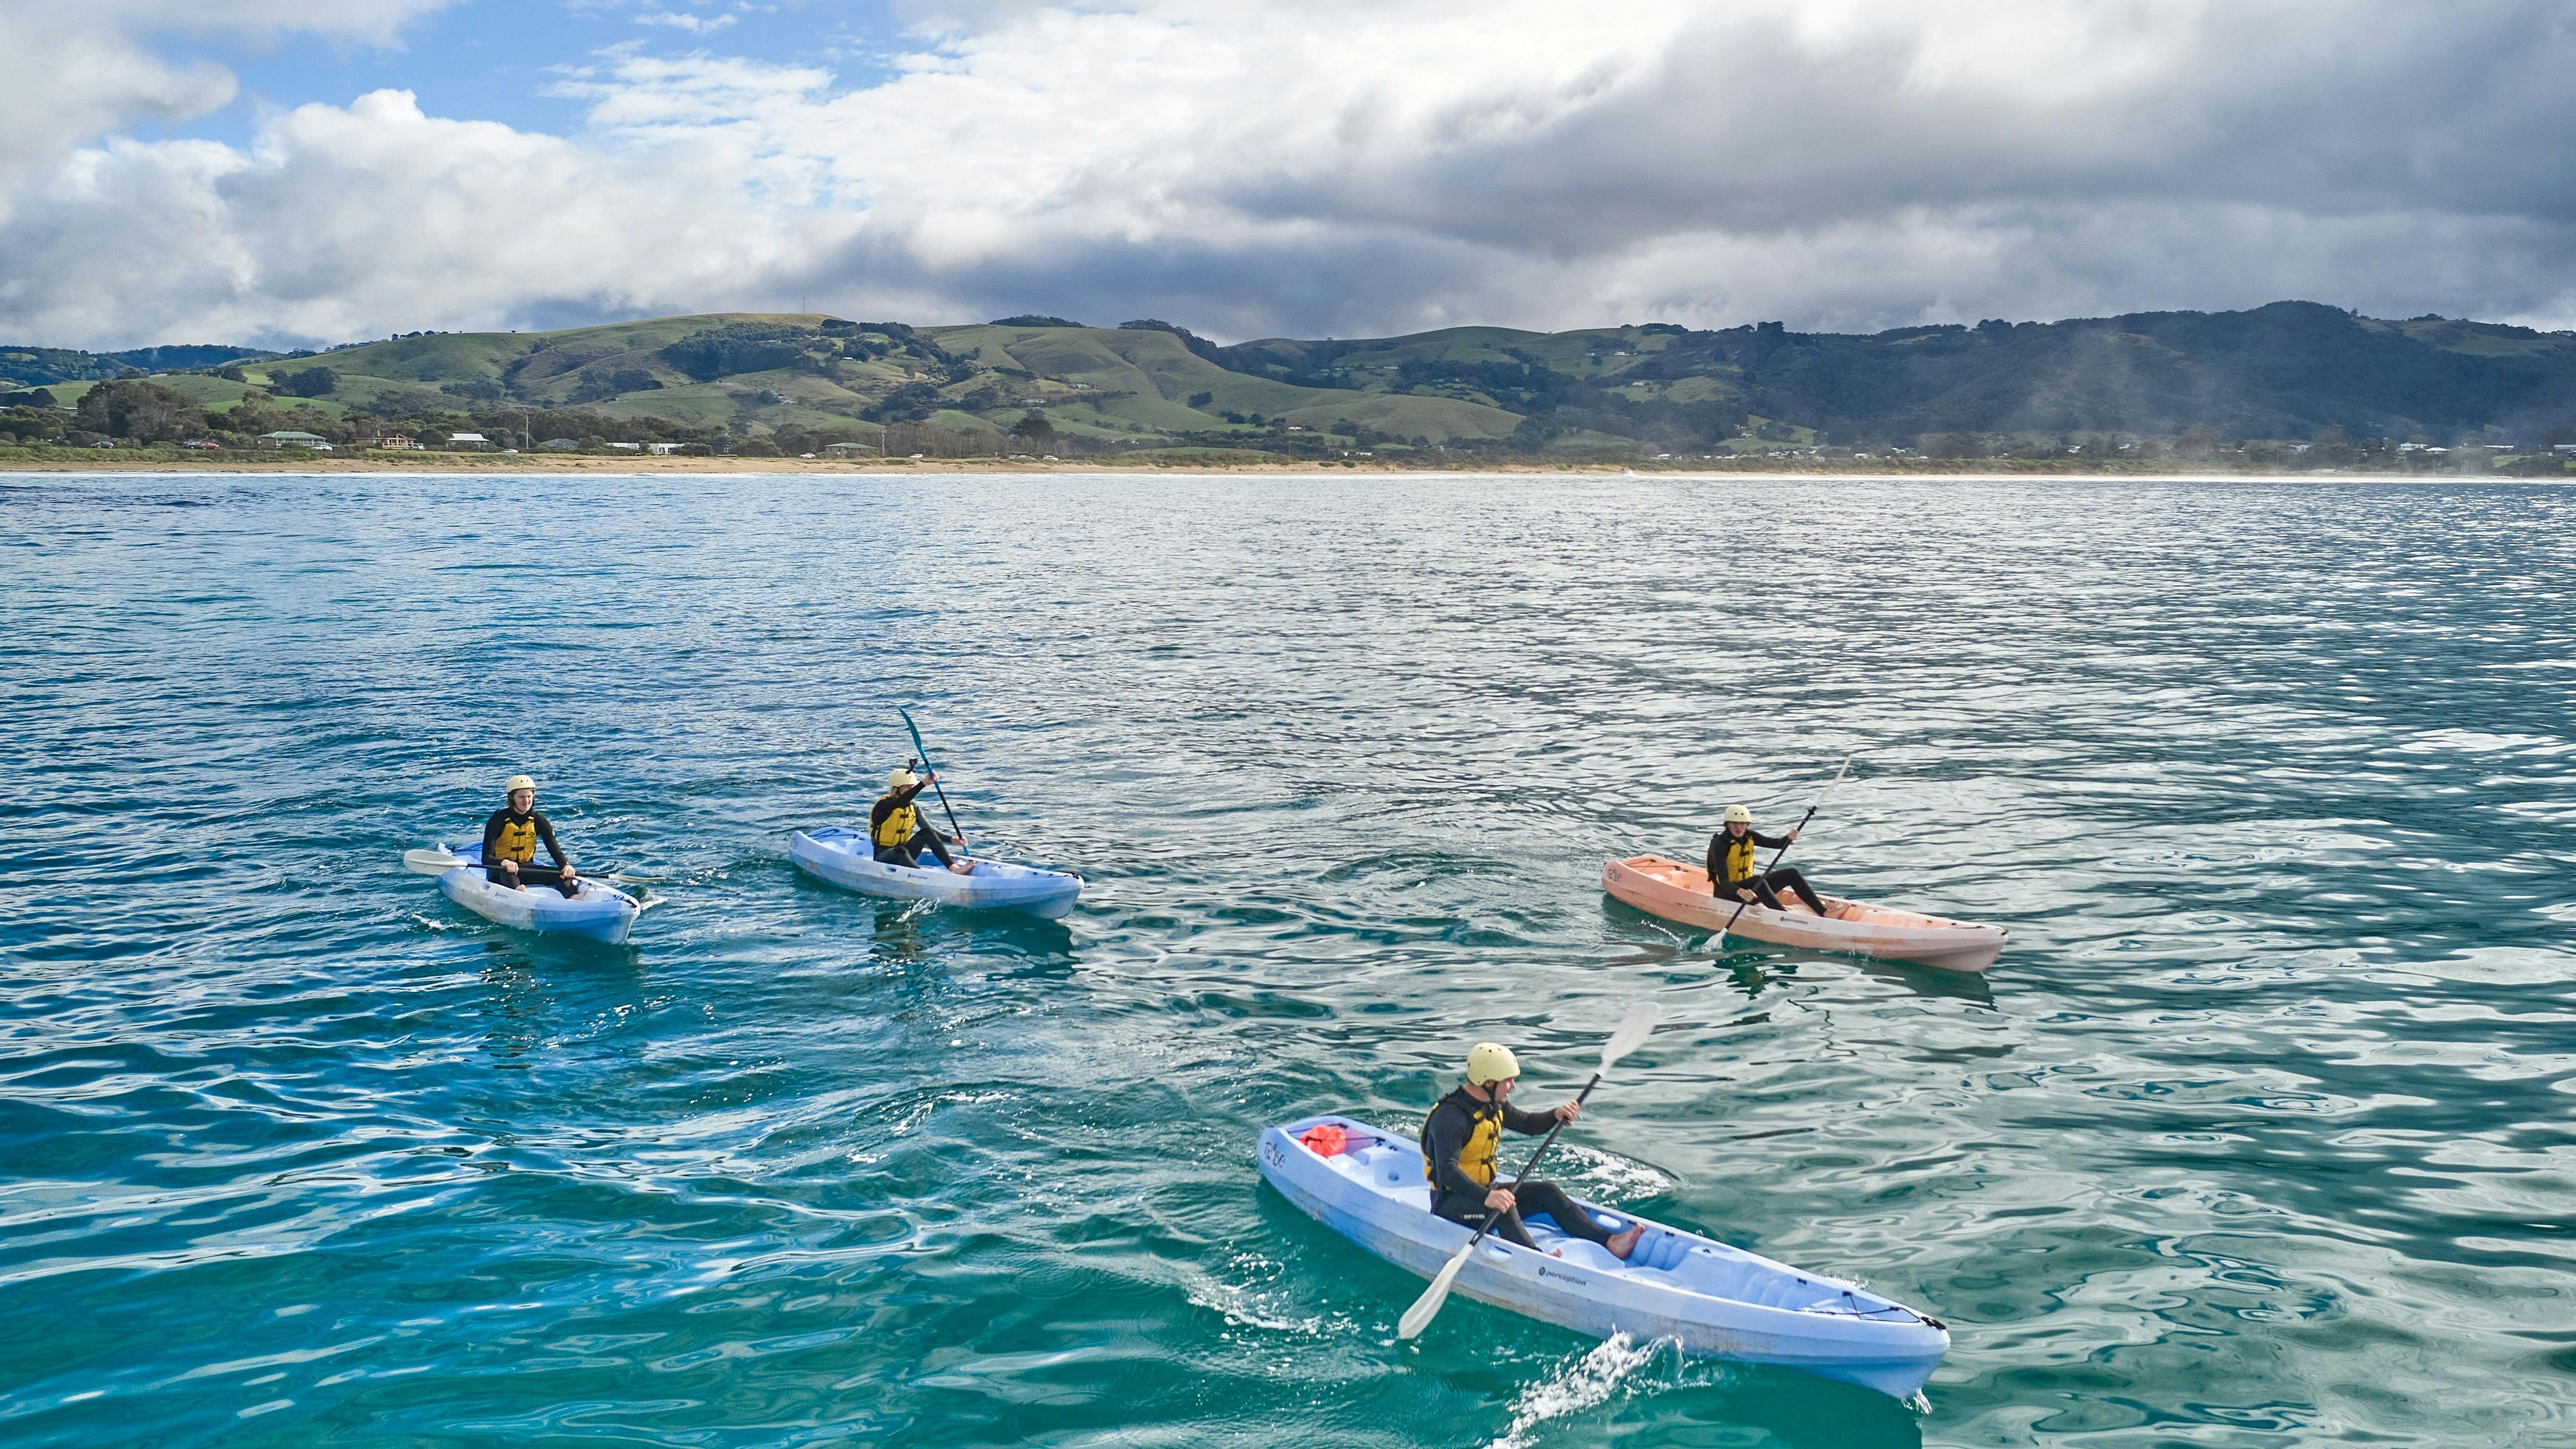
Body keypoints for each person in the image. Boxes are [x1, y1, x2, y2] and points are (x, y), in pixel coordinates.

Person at [1419, 1042, 1643, 1260]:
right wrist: (1488, 1197)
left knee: (1548, 1192)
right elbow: (1447, 1172)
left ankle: (1609, 1242)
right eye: (1508, 1080)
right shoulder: (1450, 1118)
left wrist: (1555, 1115)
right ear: (1488, 1082)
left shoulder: (1493, 1105)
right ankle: (1536, 1260)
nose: (1513, 1086)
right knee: (1504, 1207)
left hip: (1485, 1193)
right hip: (1450, 1203)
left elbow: (1527, 1124)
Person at [1708, 802, 1830, 916]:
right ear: (1728, 824)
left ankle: (1823, 912)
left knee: (1791, 873)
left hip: (1749, 893)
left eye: (1742, 824)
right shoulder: (1720, 844)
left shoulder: (1749, 836)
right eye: (1735, 824)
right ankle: (1783, 916)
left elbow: (1776, 843)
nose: (1739, 828)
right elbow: (1724, 882)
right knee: (1757, 881)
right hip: (1728, 894)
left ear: (1747, 824)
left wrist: (1788, 838)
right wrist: (1740, 892)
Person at [482, 774, 579, 897]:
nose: (526, 801)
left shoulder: (538, 820)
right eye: (521, 797)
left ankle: (573, 897)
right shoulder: (498, 820)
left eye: (529, 796)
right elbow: (486, 858)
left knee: (560, 873)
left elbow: (554, 849)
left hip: (527, 869)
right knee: (509, 867)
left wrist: (566, 865)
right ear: (512, 798)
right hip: (500, 873)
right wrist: (503, 862)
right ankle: (519, 893)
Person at [871, 767, 974, 874]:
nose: (911, 790)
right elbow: (899, 802)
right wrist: (923, 784)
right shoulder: (883, 806)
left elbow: (929, 829)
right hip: (883, 856)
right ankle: (920, 875)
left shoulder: (913, 807)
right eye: (908, 787)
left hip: (905, 852)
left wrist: (952, 840)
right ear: (896, 788)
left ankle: (954, 868)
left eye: (912, 787)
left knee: (927, 832)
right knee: (900, 851)